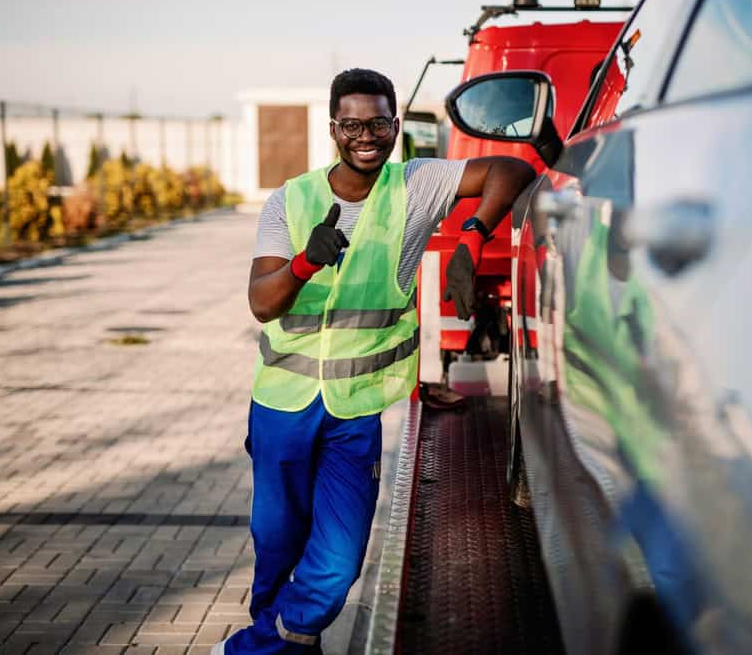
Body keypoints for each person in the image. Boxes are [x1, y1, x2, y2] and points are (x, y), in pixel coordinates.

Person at [216, 68, 536, 655]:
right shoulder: (290, 200)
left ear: (396, 126)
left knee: (337, 564)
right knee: (277, 544)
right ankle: (287, 643)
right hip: (281, 406)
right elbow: (262, 303)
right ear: (334, 128)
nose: (368, 135)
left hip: (353, 413)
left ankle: (252, 649)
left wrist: (472, 236)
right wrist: (305, 263)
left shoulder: (416, 185)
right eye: (353, 124)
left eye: (380, 123)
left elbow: (513, 170)